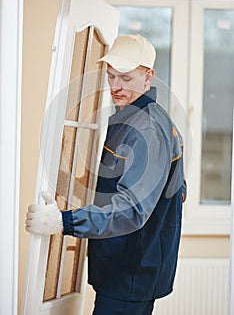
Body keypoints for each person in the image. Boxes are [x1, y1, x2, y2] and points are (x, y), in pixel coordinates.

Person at [26, 34, 186, 315]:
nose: (115, 86)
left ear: (148, 76)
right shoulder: (126, 119)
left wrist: (65, 221)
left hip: (130, 275)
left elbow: (133, 209)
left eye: (125, 78)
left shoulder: (147, 129)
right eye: (111, 76)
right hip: (122, 268)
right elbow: (177, 190)